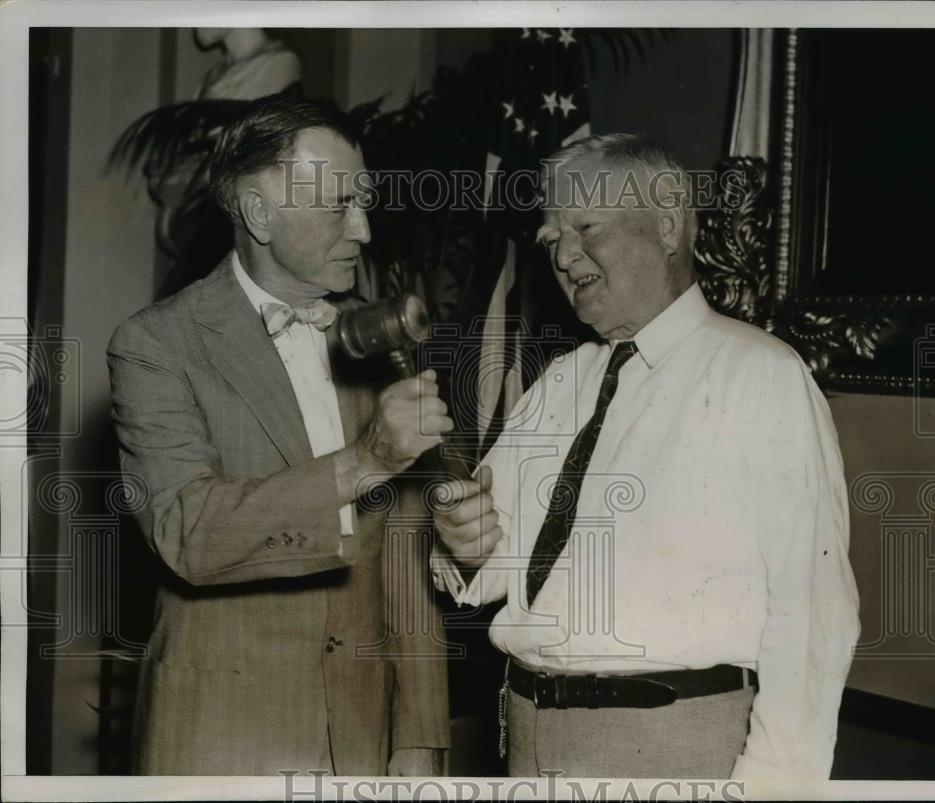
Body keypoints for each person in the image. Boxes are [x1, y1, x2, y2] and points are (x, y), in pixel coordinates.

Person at [432, 133, 861, 779]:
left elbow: (814, 612)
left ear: (666, 224)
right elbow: (492, 561)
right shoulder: (559, 384)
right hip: (527, 738)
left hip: (675, 743)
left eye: (585, 227)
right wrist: (464, 544)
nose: (563, 254)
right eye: (551, 238)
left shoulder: (760, 376)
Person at [108, 96, 450, 776]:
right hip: (219, 736)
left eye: (364, 202)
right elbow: (189, 533)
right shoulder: (156, 344)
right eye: (338, 206)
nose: (363, 230)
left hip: (360, 736)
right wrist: (364, 461)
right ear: (259, 214)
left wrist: (419, 735)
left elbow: (404, 559)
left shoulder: (372, 333)